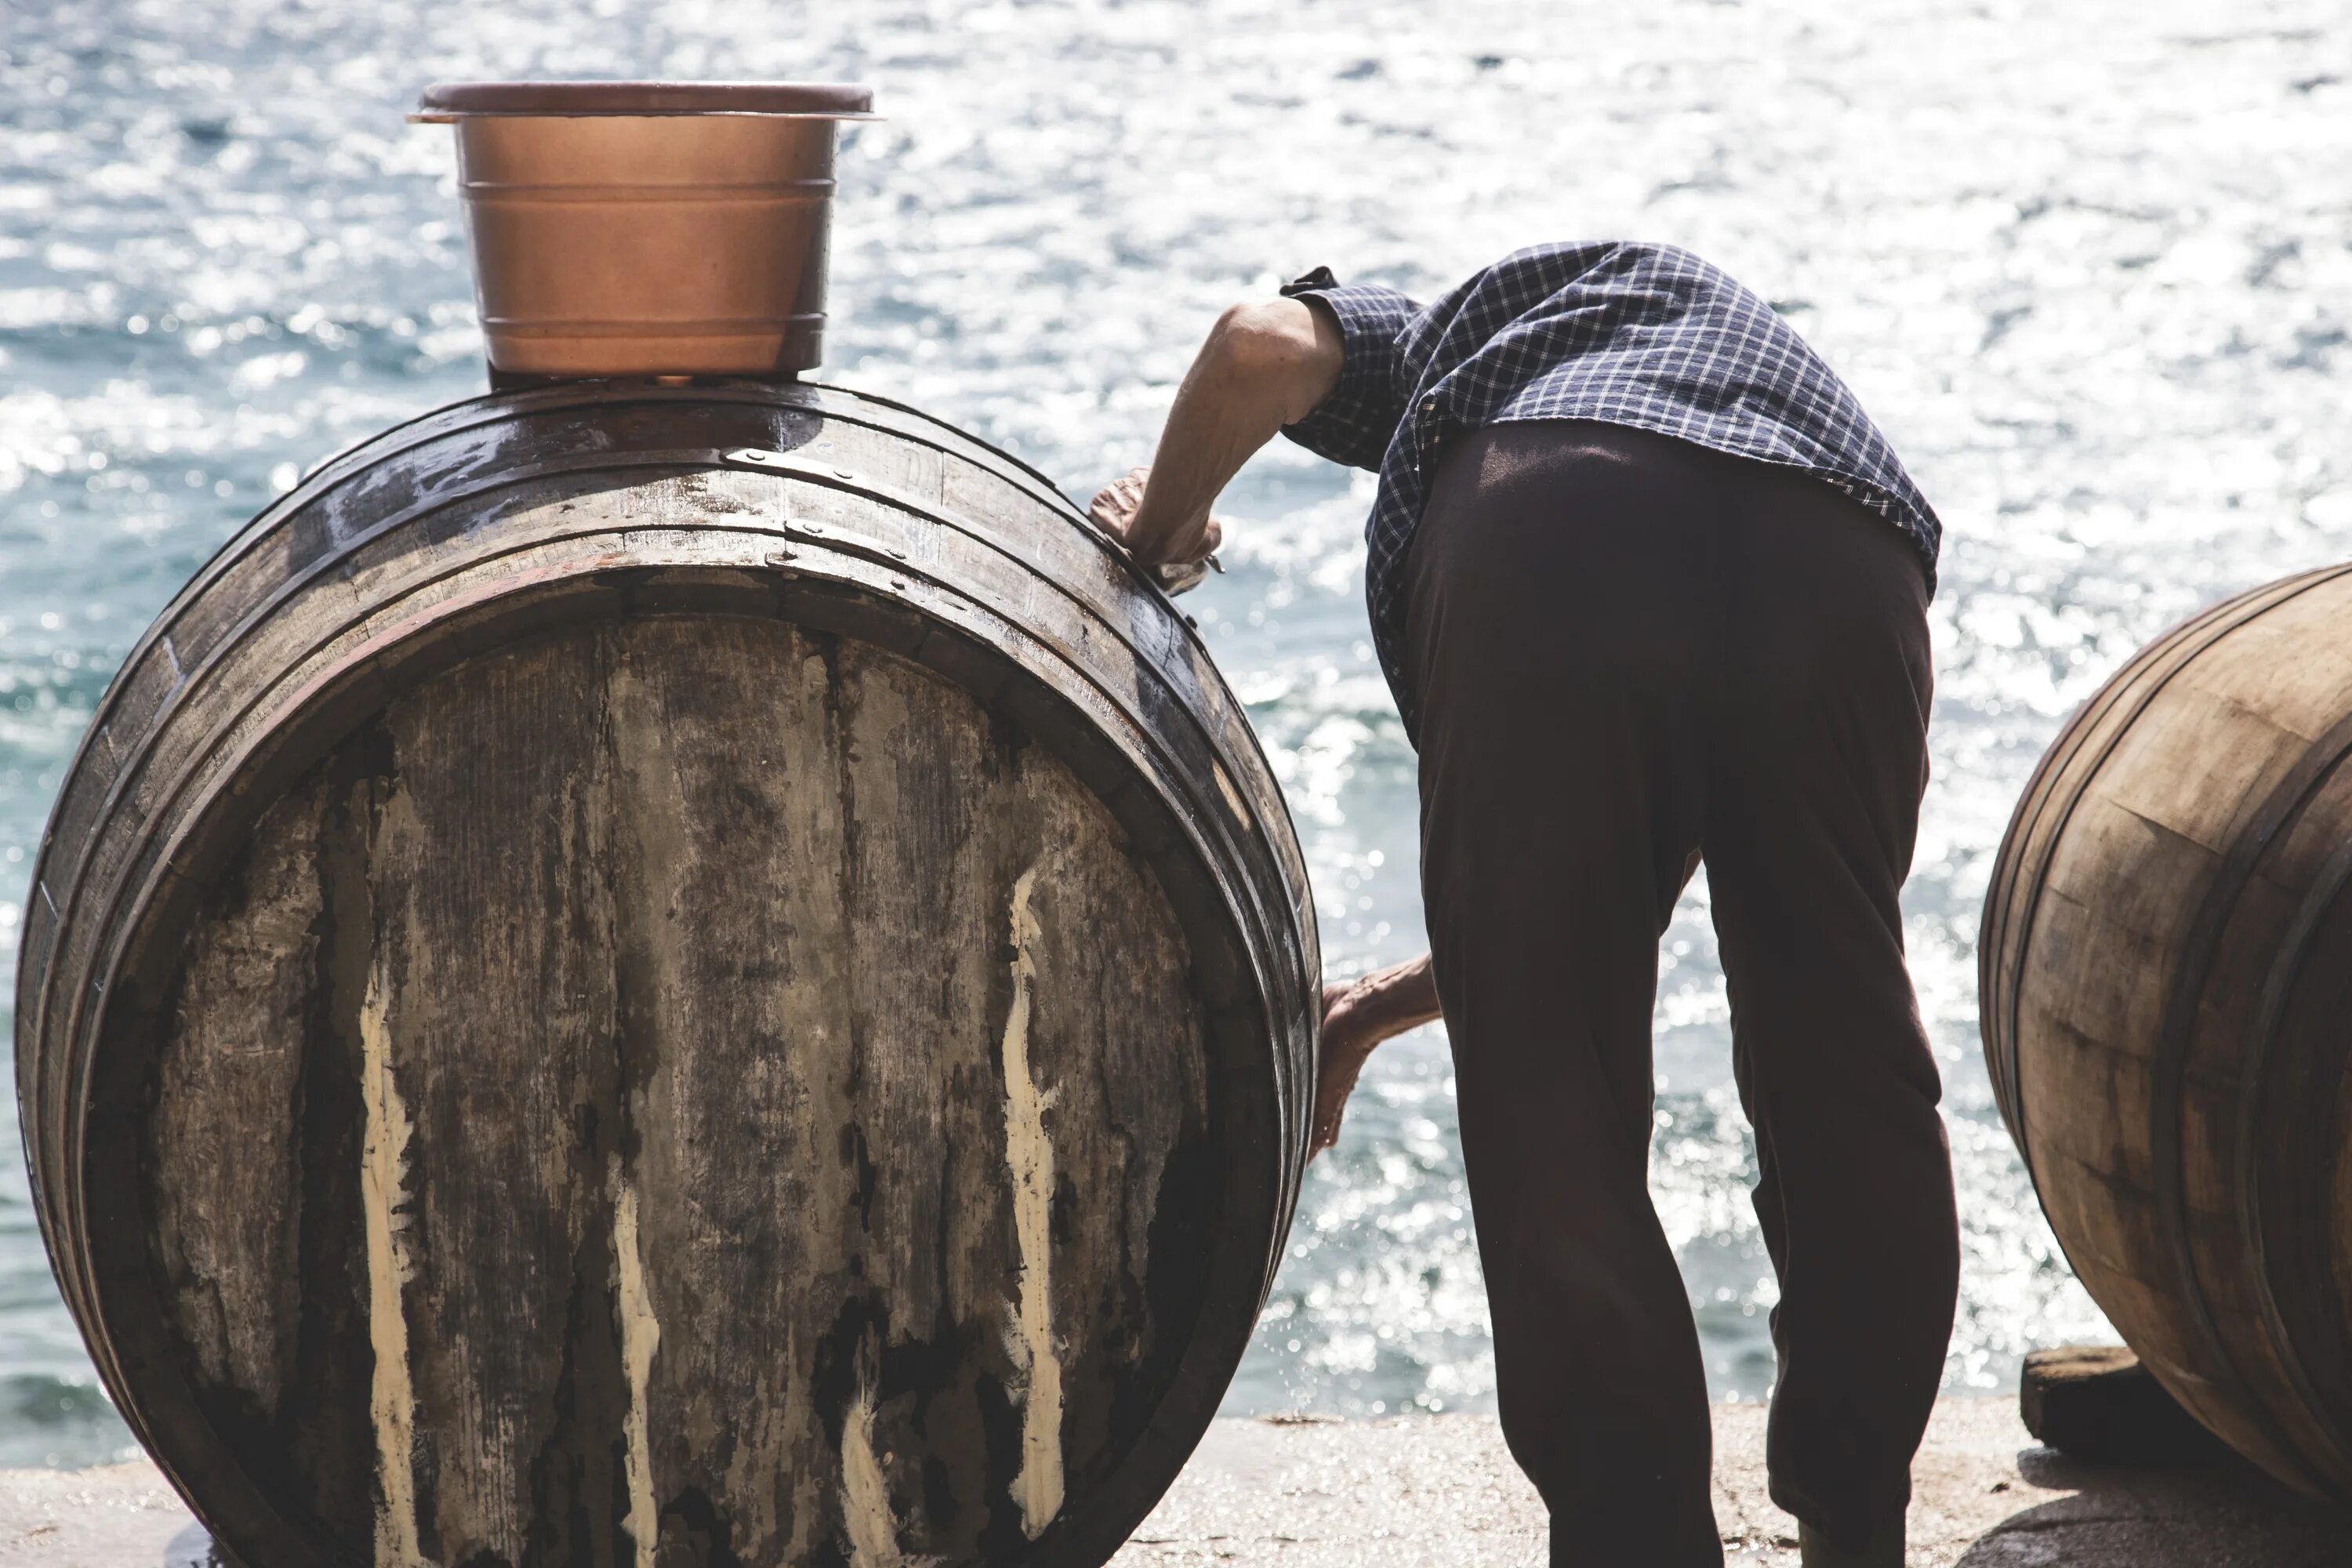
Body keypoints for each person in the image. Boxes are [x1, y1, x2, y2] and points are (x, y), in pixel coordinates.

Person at [1087, 244, 1961, 1568]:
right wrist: (1385, 1005)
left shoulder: (1431, 339)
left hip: (1562, 526)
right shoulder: (1688, 331)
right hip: (1845, 550)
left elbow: (1258, 346)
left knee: (1555, 1090)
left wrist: (1162, 532)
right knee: (1845, 1053)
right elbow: (1634, 862)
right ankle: (1859, 1515)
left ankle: (1635, 1541)